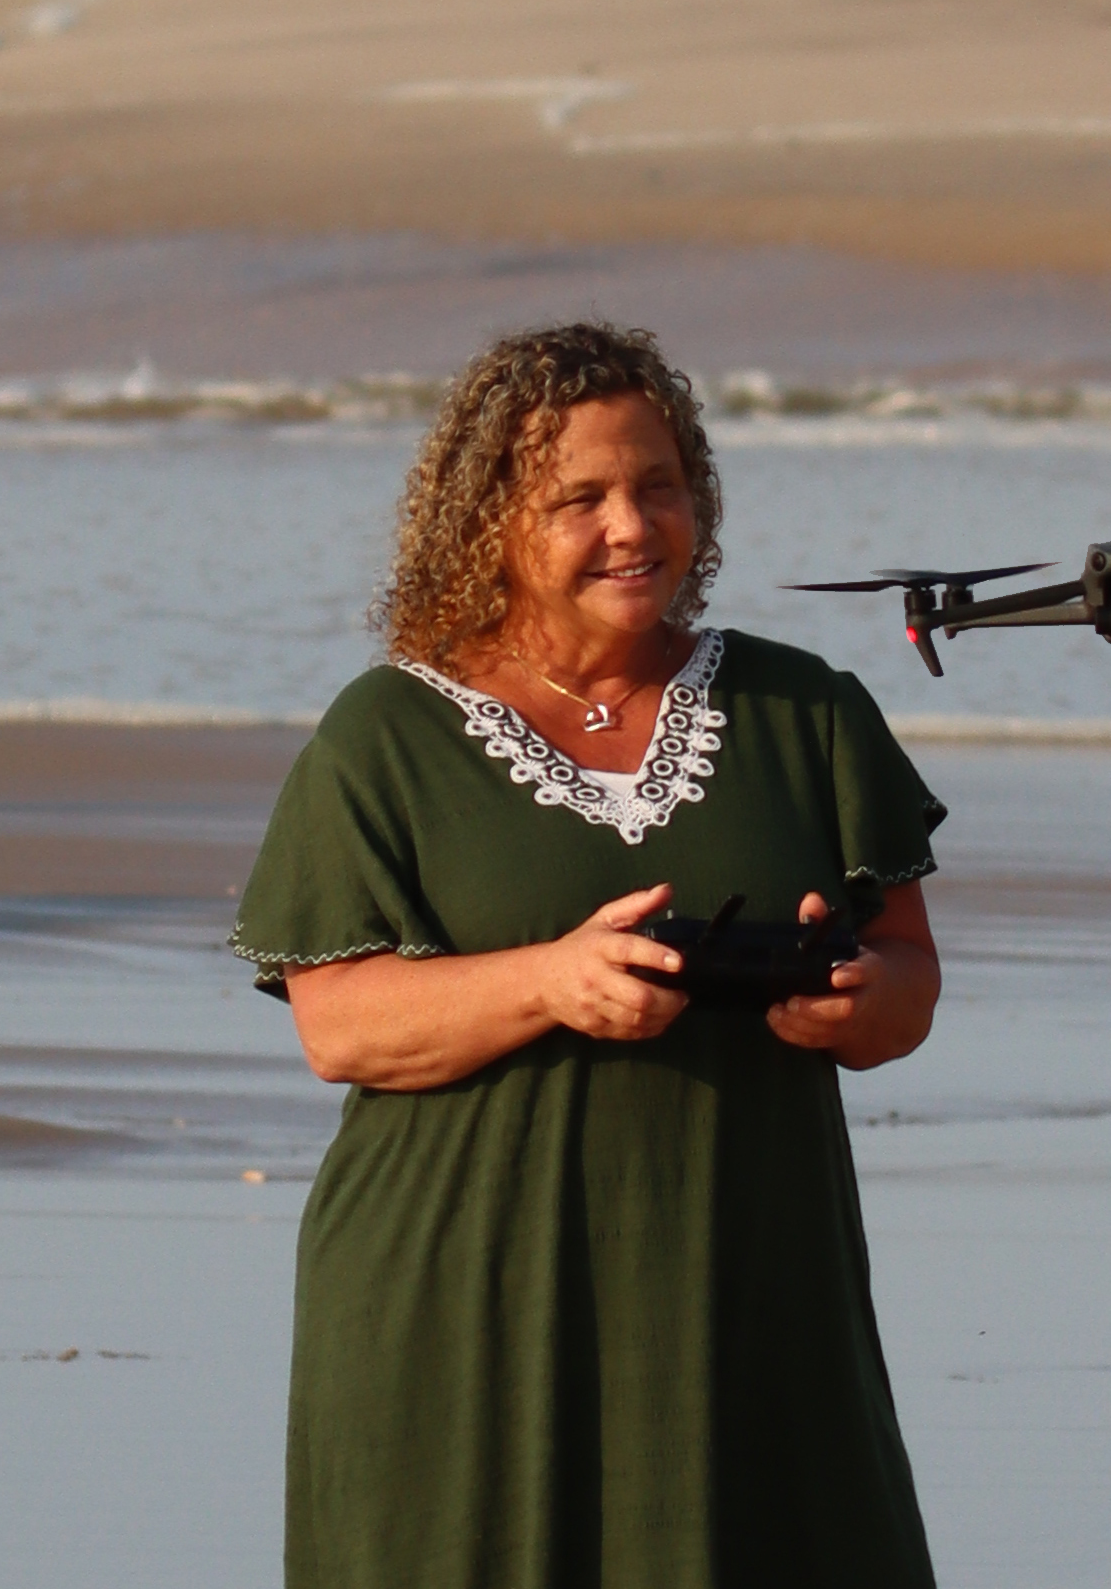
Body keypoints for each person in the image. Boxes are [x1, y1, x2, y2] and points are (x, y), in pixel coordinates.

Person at [232, 322, 946, 1589]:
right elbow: (337, 1024)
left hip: (748, 1297)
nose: (633, 524)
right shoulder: (386, 733)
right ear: (488, 521)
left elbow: (907, 980)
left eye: (658, 484)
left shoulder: (805, 710)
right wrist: (548, 979)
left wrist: (860, 1004)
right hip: (458, 1312)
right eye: (581, 497)